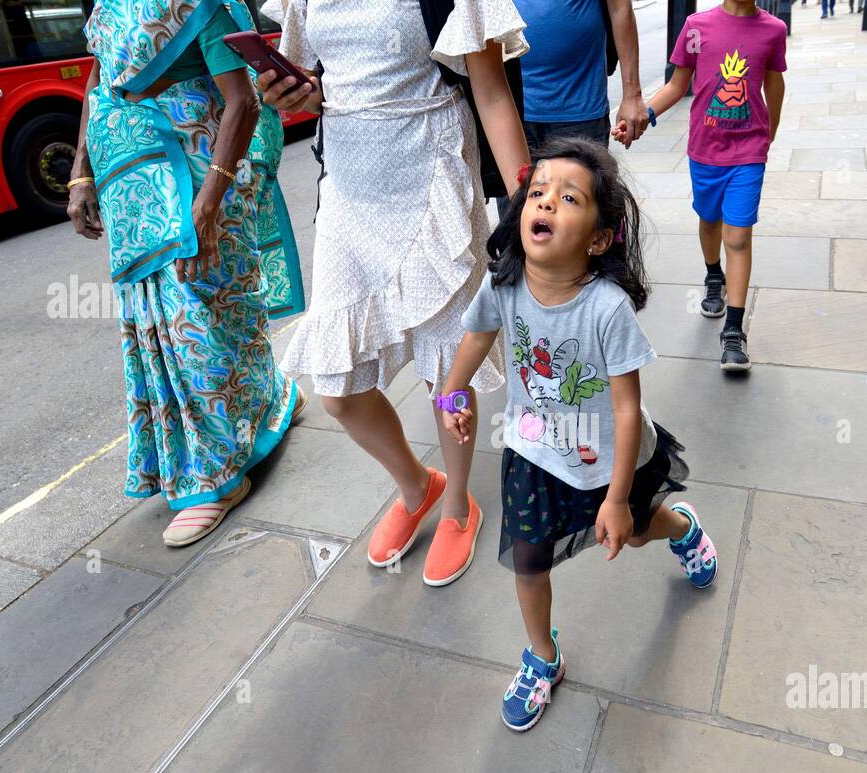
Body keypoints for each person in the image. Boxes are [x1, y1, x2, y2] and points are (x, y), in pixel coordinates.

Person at [437, 139, 719, 732]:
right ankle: (542, 657)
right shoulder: (505, 283)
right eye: (537, 193)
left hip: (610, 460)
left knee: (638, 532)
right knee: (528, 561)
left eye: (568, 198)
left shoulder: (607, 309)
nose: (546, 203)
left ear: (596, 239)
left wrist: (616, 499)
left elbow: (624, 410)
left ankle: (680, 527)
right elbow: (478, 334)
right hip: (535, 450)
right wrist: (452, 392)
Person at [260, 0, 532, 587]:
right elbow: (312, 86)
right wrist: (291, 94)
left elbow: (489, 92)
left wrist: (527, 204)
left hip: (432, 170)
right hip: (349, 193)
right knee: (336, 388)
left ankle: (458, 501)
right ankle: (417, 486)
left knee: (446, 369)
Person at [68, 0, 306, 547]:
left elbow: (242, 102)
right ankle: (270, 403)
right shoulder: (108, 7)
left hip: (195, 176)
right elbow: (97, 80)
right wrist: (80, 173)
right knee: (160, 327)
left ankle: (218, 479)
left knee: (205, 320)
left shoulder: (200, 3)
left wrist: (207, 206)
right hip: (131, 188)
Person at [631, 0, 786, 373]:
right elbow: (676, 84)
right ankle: (712, 273)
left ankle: (733, 331)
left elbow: (774, 84)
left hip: (748, 151)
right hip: (705, 151)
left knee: (738, 236)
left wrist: (770, 134)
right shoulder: (696, 27)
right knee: (710, 222)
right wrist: (645, 114)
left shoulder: (773, 30)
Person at [493, 0, 647, 221]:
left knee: (581, 219)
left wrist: (633, 95)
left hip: (579, 109)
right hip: (508, 109)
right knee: (516, 220)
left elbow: (620, 8)